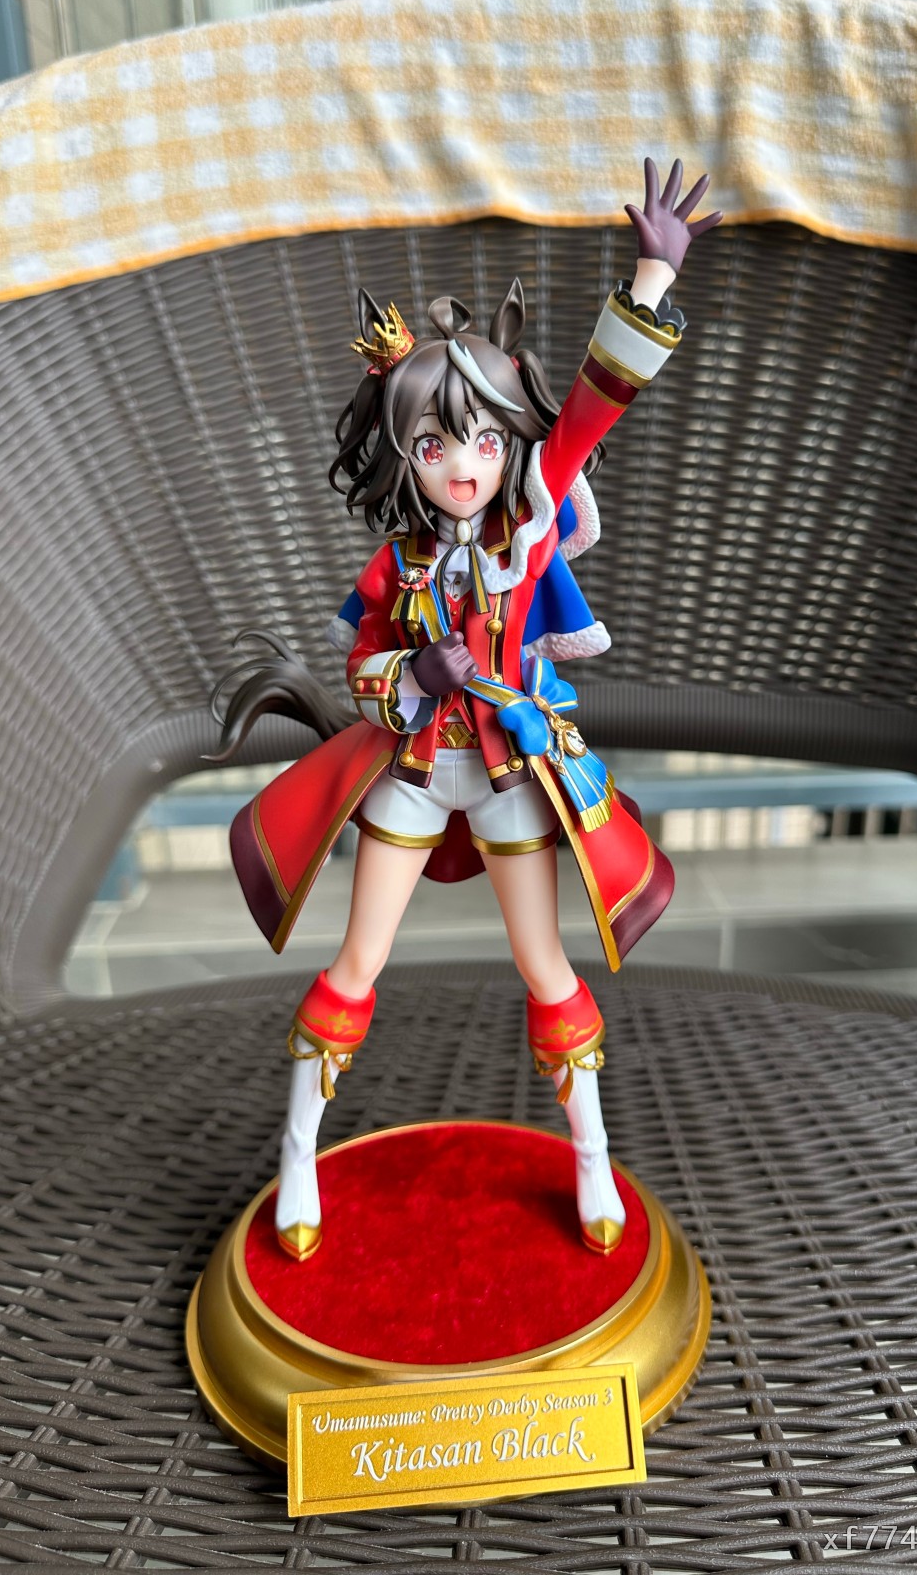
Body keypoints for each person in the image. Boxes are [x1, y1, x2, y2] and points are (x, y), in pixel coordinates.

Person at [211, 157, 722, 1264]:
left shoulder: (528, 527)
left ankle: (591, 1157)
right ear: (407, 448)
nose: (465, 464)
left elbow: (591, 409)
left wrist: (650, 281)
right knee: (357, 964)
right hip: (408, 771)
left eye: (487, 441)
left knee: (547, 967)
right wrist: (414, 676)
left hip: (506, 775)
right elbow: (363, 665)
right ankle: (297, 1155)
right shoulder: (393, 564)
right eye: (438, 443)